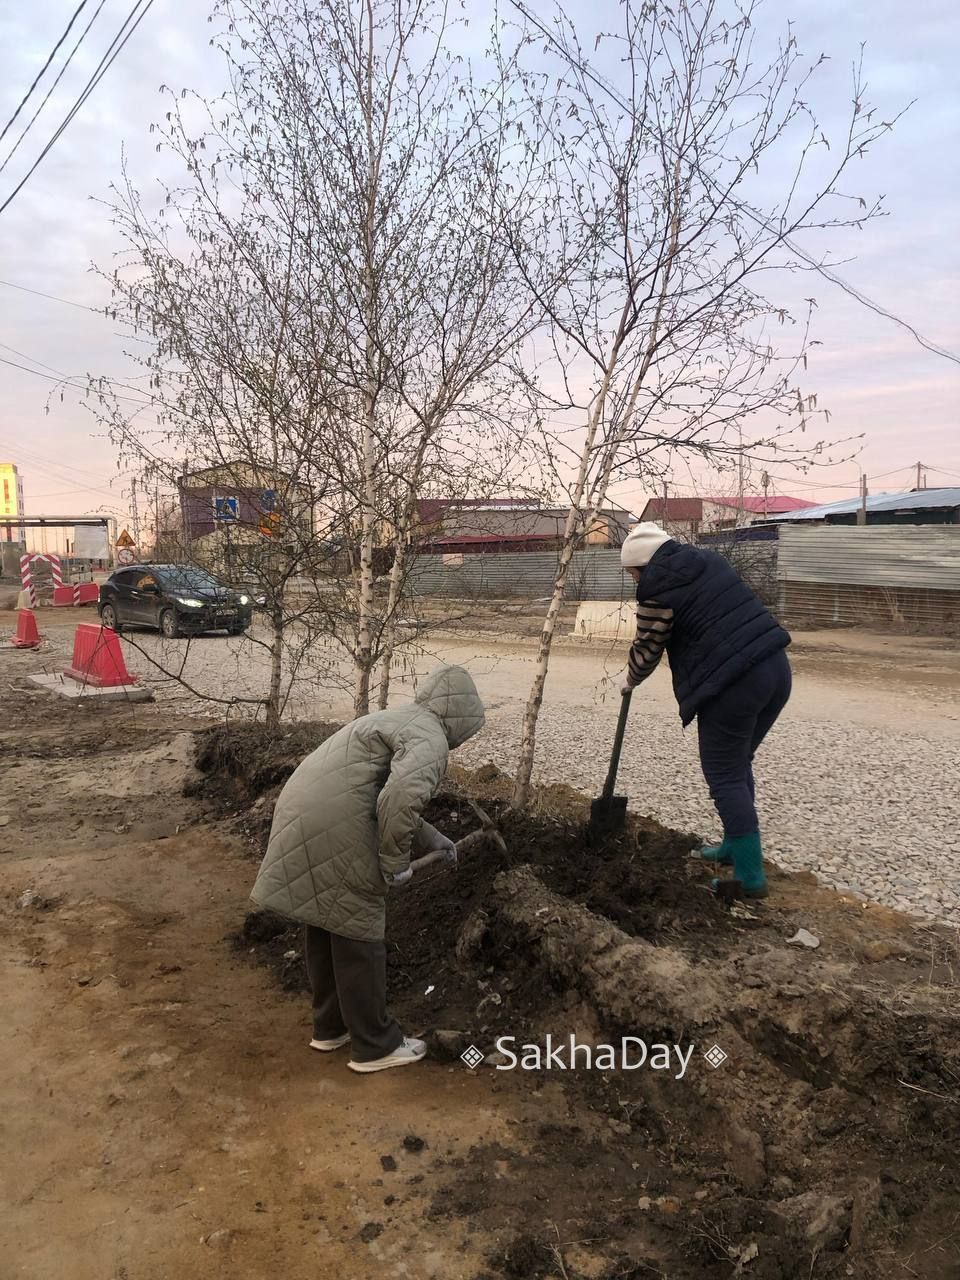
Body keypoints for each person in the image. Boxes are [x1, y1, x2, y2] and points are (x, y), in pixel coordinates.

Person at [250, 664, 485, 1072]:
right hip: (340, 827)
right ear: (462, 717)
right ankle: (376, 1045)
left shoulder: (396, 718)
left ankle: (331, 1027)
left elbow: (377, 791)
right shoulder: (431, 738)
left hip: (305, 814)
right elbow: (399, 800)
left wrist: (433, 839)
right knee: (359, 930)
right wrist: (394, 865)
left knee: (328, 922)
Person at [619, 522, 792, 898]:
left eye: (632, 572)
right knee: (737, 762)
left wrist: (630, 678)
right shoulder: (708, 562)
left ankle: (750, 878)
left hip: (734, 684)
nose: (632, 579)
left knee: (724, 774)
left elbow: (649, 647)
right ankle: (735, 846)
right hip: (775, 669)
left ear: (641, 566)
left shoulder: (657, 588)